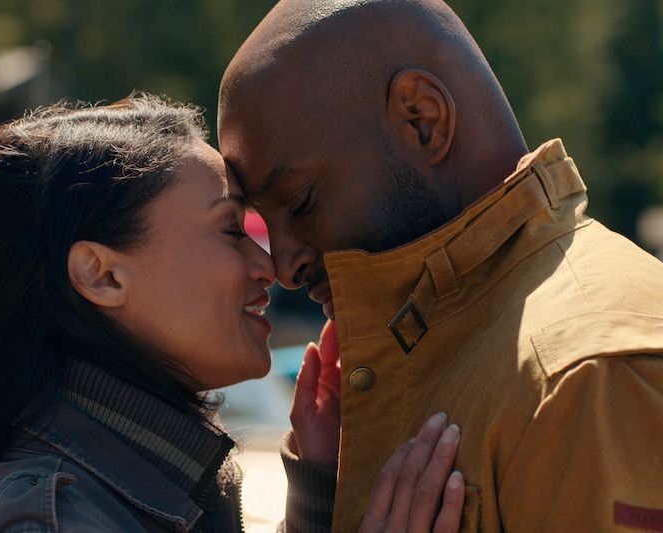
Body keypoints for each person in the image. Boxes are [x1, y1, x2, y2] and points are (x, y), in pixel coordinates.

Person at [0, 94, 463, 532]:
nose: (270, 268)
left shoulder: (125, 486)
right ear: (102, 275)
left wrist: (317, 484)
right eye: (230, 230)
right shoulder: (50, 519)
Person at [217, 0, 663, 531]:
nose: (285, 267)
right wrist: (321, 497)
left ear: (423, 120)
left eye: (300, 201)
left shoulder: (587, 375)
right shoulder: (437, 350)